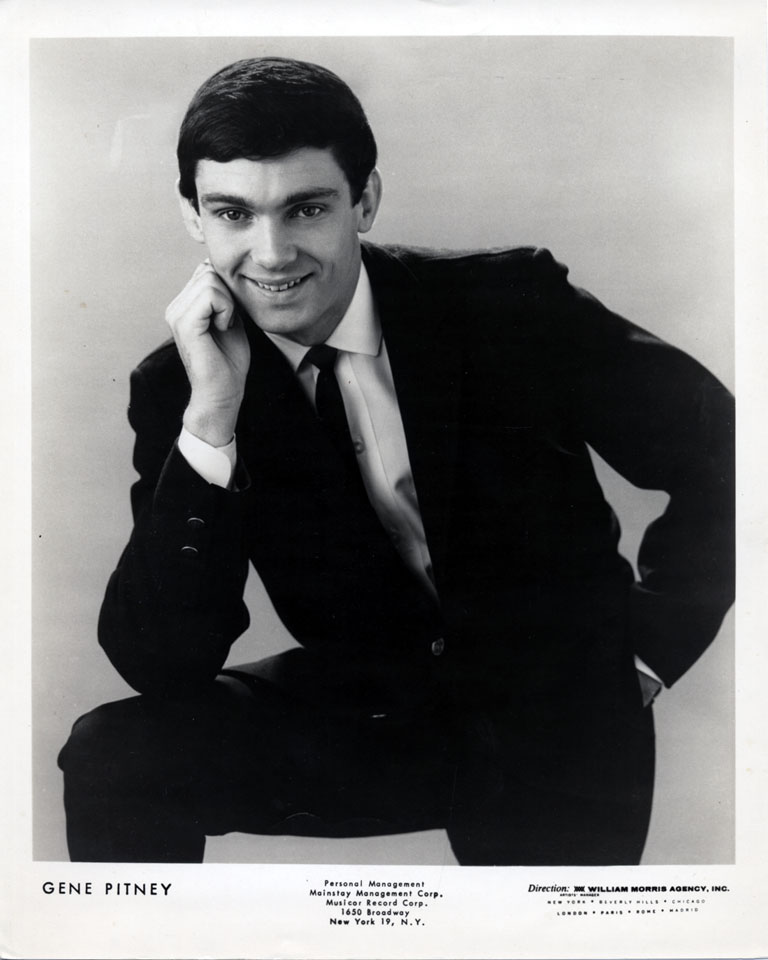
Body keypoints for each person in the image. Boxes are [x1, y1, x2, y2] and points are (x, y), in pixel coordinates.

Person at [58, 56, 735, 865]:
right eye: (233, 213)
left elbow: (732, 454)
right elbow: (158, 662)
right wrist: (212, 418)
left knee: (536, 930)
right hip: (372, 715)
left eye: (306, 209)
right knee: (117, 756)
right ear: (192, 216)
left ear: (365, 201)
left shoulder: (510, 305)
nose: (271, 254)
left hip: (561, 711)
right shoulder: (185, 383)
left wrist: (649, 650)